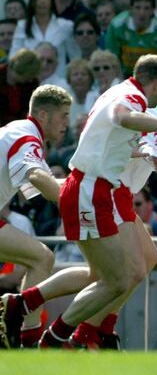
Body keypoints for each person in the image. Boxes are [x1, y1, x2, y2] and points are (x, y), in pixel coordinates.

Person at [13, 55, 157, 349]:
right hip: (97, 189)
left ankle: (34, 309)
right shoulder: (137, 101)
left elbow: (123, 139)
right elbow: (123, 119)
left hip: (100, 187)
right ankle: (61, 337)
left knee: (120, 271)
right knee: (120, 277)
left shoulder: (120, 91)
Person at [0, 85, 71, 349]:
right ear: (43, 114)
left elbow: (38, 185)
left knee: (40, 257)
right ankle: (26, 338)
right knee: (42, 257)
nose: (67, 123)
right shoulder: (27, 139)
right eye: (63, 115)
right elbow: (36, 178)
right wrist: (73, 200)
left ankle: (21, 335)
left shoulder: (22, 133)